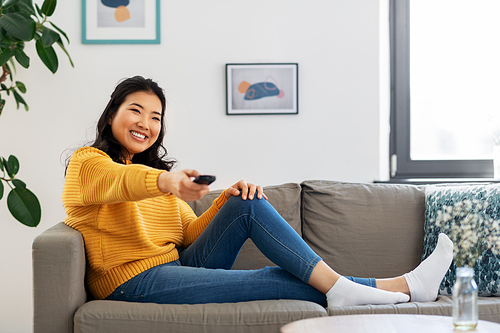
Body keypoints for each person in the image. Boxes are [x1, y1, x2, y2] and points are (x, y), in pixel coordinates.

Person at [63, 76, 454, 308]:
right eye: (135, 110)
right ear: (113, 112)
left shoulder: (155, 176)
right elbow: (120, 182)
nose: (145, 124)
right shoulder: (88, 163)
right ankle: (399, 287)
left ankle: (347, 288)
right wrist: (167, 181)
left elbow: (188, 237)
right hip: (130, 283)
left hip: (176, 267)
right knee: (273, 279)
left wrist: (224, 201)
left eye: (155, 117)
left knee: (246, 203)